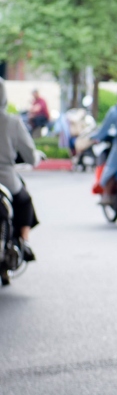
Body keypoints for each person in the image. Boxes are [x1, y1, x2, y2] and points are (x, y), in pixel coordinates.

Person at [0, 79, 39, 261]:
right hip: (7, 180)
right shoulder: (12, 122)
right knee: (24, 201)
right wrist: (36, 157)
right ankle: (24, 241)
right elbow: (31, 156)